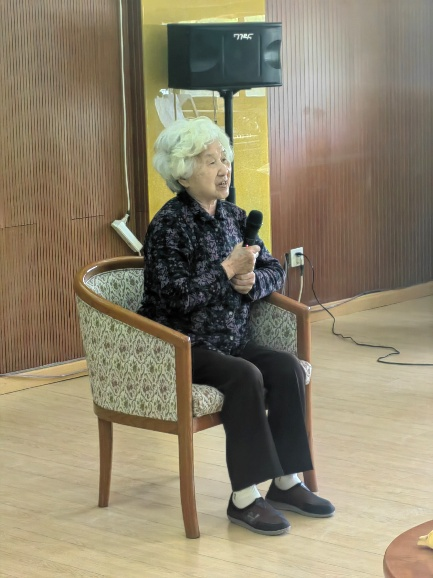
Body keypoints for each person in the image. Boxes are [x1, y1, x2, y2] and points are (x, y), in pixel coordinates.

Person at [138, 116, 334, 536]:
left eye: (224, 159)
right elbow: (174, 297)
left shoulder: (233, 216)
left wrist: (251, 282)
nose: (224, 169)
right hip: (184, 344)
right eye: (211, 162)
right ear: (183, 173)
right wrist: (227, 269)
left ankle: (287, 482)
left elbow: (273, 269)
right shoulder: (169, 225)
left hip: (232, 338)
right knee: (245, 376)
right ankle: (244, 497)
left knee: (286, 367)